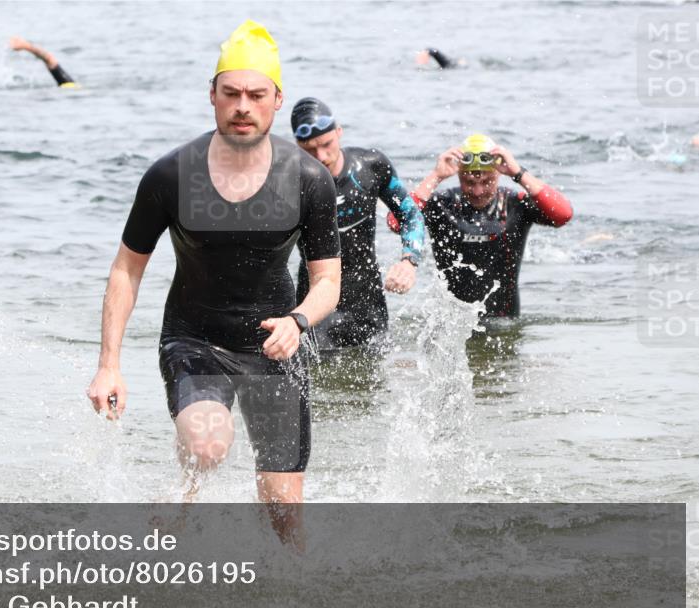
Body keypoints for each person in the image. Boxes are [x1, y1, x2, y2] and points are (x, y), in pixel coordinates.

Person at [86, 20, 340, 546]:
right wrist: (109, 364)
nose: (242, 105)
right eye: (231, 94)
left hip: (276, 345)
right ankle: (185, 488)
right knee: (207, 445)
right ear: (212, 96)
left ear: (276, 101)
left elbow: (327, 282)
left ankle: (296, 606)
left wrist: (299, 321)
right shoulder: (172, 175)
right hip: (195, 339)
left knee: (285, 513)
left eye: (255, 95)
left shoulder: (309, 180)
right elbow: (126, 269)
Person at [291, 97, 425, 352]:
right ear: (297, 146)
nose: (321, 156)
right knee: (318, 384)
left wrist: (409, 261)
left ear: (339, 132)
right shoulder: (289, 181)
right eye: (309, 150)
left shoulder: (371, 166)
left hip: (368, 302)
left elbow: (411, 215)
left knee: (373, 384)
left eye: (327, 144)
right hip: (315, 304)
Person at [402, 134, 573, 317]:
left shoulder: (515, 204)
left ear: (498, 174)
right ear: (459, 176)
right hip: (449, 325)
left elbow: (563, 215)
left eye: (486, 182)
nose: (478, 191)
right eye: (469, 182)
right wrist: (435, 176)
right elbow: (396, 222)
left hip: (503, 323)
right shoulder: (442, 204)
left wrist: (518, 173)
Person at [9, 36, 78, 88]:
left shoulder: (70, 87)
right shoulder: (71, 86)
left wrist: (26, 47)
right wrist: (26, 46)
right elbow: (50, 60)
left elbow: (50, 61)